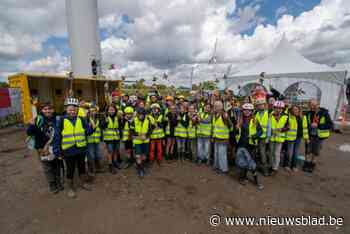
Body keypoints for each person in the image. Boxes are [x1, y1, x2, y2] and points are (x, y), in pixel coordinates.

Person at [53, 98, 94, 198]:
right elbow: (57, 137)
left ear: (77, 110)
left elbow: (87, 132)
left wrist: (92, 127)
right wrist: (57, 151)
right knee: (70, 169)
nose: (72, 111)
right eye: (70, 109)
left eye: (74, 109)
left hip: (81, 149)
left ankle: (83, 183)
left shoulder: (81, 119)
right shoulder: (61, 120)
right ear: (66, 109)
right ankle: (70, 188)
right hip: (68, 150)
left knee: (82, 167)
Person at [27, 102, 63, 194]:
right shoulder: (38, 119)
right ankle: (52, 184)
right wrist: (31, 125)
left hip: (55, 146)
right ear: (42, 110)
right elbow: (29, 132)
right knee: (47, 167)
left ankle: (58, 182)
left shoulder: (58, 118)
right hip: (42, 148)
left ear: (53, 109)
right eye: (45, 109)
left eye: (49, 109)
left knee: (57, 165)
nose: (48, 111)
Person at [235, 102, 263, 190]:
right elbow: (236, 132)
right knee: (242, 162)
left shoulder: (255, 120)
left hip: (251, 145)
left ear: (251, 111)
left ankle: (256, 181)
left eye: (249, 110)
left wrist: (254, 136)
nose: (246, 112)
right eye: (245, 110)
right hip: (241, 144)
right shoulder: (239, 120)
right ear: (243, 111)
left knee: (252, 164)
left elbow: (260, 132)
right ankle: (242, 178)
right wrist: (236, 129)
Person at [304, 99, 333, 172]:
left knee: (315, 152)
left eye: (314, 105)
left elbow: (330, 125)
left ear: (318, 105)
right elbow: (305, 124)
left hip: (319, 136)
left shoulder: (324, 113)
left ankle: (312, 166)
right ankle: (306, 164)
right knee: (307, 151)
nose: (312, 107)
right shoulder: (309, 113)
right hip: (310, 135)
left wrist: (318, 125)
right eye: (311, 105)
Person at [284, 105, 309, 172]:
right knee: (289, 152)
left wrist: (306, 138)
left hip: (298, 137)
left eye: (297, 109)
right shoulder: (289, 117)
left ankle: (294, 166)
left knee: (296, 152)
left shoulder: (303, 117)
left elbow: (305, 128)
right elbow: (285, 126)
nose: (295, 110)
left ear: (299, 110)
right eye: (294, 109)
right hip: (290, 137)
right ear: (291, 110)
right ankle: (287, 165)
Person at [130, 108, 153, 177]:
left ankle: (141, 165)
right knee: (138, 155)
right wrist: (139, 134)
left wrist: (146, 135)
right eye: (139, 114)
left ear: (144, 114)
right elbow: (131, 131)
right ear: (137, 115)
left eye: (142, 114)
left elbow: (150, 130)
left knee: (144, 155)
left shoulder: (148, 120)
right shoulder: (134, 121)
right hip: (137, 141)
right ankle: (140, 169)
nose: (141, 116)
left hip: (145, 140)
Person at [269, 101, 289, 175]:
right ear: (274, 108)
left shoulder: (286, 116)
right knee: (271, 153)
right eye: (276, 108)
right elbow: (268, 125)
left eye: (280, 108)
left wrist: (281, 129)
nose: (278, 110)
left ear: (282, 109)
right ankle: (271, 166)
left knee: (276, 153)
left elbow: (288, 127)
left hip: (280, 138)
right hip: (271, 137)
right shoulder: (271, 115)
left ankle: (275, 168)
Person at [101, 105, 122, 174]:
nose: (111, 111)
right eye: (110, 110)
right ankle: (110, 165)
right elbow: (102, 126)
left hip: (116, 137)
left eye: (113, 110)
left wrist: (120, 135)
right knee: (110, 152)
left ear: (115, 110)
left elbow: (119, 126)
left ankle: (115, 162)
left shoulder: (117, 118)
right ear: (107, 111)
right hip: (109, 138)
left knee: (116, 150)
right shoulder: (105, 117)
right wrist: (105, 122)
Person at [212, 101, 231, 173]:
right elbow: (215, 127)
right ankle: (217, 166)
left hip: (223, 139)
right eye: (215, 106)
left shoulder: (224, 115)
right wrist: (213, 137)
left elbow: (230, 126)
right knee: (216, 153)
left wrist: (227, 119)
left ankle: (224, 169)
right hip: (216, 138)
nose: (216, 107)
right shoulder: (215, 115)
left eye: (218, 106)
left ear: (221, 107)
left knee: (222, 154)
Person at [254, 97, 270, 176]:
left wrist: (268, 137)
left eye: (261, 105)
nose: (260, 106)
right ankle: (257, 167)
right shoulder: (256, 114)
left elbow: (269, 127)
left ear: (264, 105)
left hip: (263, 137)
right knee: (257, 152)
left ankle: (265, 170)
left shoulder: (267, 114)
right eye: (258, 105)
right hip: (256, 137)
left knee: (262, 153)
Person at [86, 105, 103, 180]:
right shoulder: (86, 119)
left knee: (97, 154)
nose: (93, 112)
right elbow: (86, 130)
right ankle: (91, 169)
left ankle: (98, 168)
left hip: (96, 140)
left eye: (94, 111)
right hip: (89, 140)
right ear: (89, 112)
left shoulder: (98, 119)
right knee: (91, 155)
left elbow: (100, 128)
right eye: (91, 111)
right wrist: (89, 126)